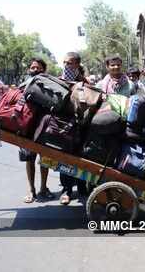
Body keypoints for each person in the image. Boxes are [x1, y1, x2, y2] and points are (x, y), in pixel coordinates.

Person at [20, 58, 54, 203]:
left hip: (44, 126)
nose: (34, 70)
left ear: (43, 70)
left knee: (45, 159)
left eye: (38, 68)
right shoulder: (24, 84)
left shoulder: (49, 84)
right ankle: (31, 190)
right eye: (32, 67)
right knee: (29, 159)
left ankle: (43, 188)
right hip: (26, 127)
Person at [59, 52, 88, 205]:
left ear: (76, 64)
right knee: (65, 158)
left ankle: (82, 189)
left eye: (69, 63)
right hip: (65, 126)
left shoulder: (84, 82)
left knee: (82, 158)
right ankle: (67, 190)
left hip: (82, 126)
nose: (66, 66)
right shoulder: (60, 80)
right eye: (64, 63)